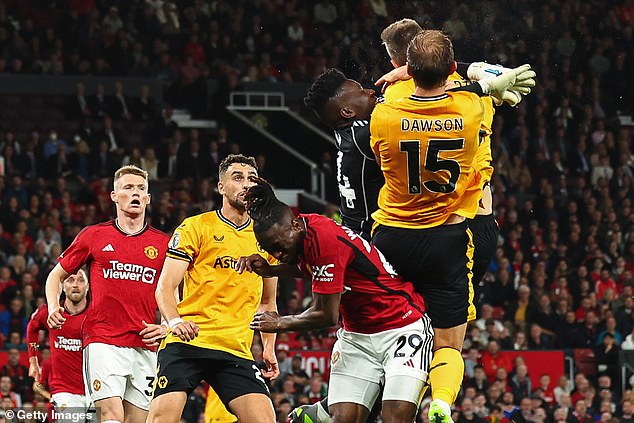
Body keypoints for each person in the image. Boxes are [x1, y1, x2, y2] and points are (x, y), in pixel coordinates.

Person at [370, 30, 531, 423]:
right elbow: (477, 87)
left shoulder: (385, 113)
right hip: (449, 234)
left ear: (406, 67)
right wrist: (483, 78)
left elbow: (380, 147)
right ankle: (441, 401)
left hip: (392, 235)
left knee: (386, 336)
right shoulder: (469, 109)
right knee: (447, 345)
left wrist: (405, 74)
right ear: (449, 68)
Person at [237, 177, 435, 423]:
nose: (278, 254)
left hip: (401, 327)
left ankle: (323, 410)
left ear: (295, 225)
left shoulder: (324, 239)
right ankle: (322, 412)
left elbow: (326, 314)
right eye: (271, 250)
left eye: (279, 246)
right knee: (343, 419)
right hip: (357, 337)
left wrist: (280, 323)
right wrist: (272, 270)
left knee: (395, 417)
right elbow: (315, 268)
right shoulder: (304, 235)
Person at [147, 154, 279, 423]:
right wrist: (174, 322)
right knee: (162, 419)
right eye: (237, 178)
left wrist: (268, 347)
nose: (245, 185)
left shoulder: (267, 237)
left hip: (235, 349)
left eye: (251, 179)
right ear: (221, 187)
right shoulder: (196, 227)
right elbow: (165, 287)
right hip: (187, 342)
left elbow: (268, 303)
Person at [46, 165, 170, 423]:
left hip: (145, 344)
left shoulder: (163, 244)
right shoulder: (94, 235)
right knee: (111, 417)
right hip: (103, 341)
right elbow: (55, 276)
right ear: (114, 195)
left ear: (148, 198)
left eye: (141, 189)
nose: (135, 193)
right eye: (128, 187)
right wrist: (52, 306)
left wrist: (167, 325)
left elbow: (175, 291)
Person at [27, 270, 90, 415]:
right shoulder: (52, 314)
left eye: (81, 280)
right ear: (61, 285)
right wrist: (33, 360)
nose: (75, 285)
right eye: (70, 280)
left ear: (88, 286)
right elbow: (32, 327)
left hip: (95, 390)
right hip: (64, 392)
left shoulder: (96, 314)